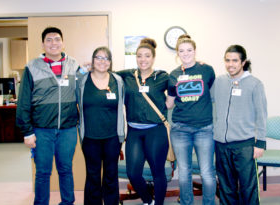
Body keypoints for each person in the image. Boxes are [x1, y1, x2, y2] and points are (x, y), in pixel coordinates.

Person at [16, 27, 79, 205]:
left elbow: (88, 87)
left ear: (63, 42)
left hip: (67, 129)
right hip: (41, 130)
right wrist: (27, 132)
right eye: (49, 40)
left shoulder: (74, 65)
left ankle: (68, 202)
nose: (53, 43)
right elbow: (23, 102)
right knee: (43, 172)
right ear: (43, 44)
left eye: (57, 39)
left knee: (66, 169)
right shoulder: (32, 67)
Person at [211, 45, 267, 205]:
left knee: (248, 188)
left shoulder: (255, 84)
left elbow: (261, 114)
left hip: (244, 145)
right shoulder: (220, 81)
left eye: (235, 60)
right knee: (226, 188)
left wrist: (261, 142)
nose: (231, 64)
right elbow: (205, 98)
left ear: (243, 62)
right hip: (221, 145)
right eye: (227, 60)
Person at [117, 38, 169, 205]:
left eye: (147, 56)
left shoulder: (162, 76)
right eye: (139, 56)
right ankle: (148, 200)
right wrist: (87, 69)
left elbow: (179, 86)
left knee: (157, 172)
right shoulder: (126, 76)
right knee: (133, 173)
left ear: (153, 58)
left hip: (156, 130)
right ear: (135, 57)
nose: (143, 59)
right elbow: (104, 74)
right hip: (134, 131)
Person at [166, 35, 216, 205]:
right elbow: (170, 104)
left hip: (205, 129)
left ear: (195, 51)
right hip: (180, 129)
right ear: (177, 53)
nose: (185, 53)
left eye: (189, 50)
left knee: (207, 172)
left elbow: (213, 95)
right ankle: (187, 203)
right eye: (181, 51)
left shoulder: (207, 70)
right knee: (184, 171)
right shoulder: (173, 75)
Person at [76, 46, 125, 205]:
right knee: (93, 175)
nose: (102, 61)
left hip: (112, 137)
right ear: (92, 60)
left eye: (106, 58)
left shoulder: (118, 81)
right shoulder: (82, 81)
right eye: (98, 57)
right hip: (90, 138)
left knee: (111, 175)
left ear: (110, 62)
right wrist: (81, 70)